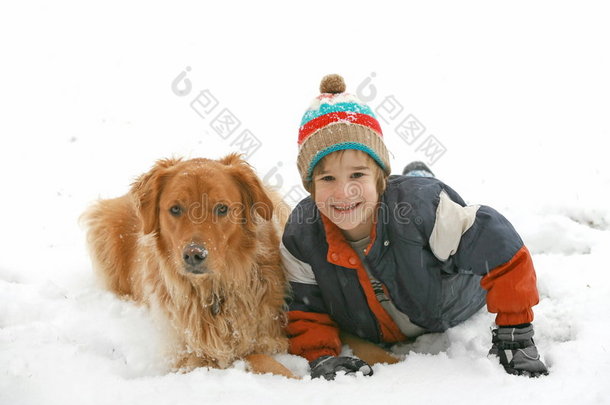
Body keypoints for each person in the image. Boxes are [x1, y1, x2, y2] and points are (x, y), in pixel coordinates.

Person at [280, 74, 548, 380]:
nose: (344, 191)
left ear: (379, 177)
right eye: (327, 179)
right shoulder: (302, 236)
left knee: (424, 194)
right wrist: (320, 355)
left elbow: (504, 249)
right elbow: (304, 309)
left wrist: (515, 331)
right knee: (418, 192)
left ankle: (421, 176)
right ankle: (419, 175)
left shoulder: (426, 211)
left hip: (451, 300)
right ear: (310, 187)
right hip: (377, 324)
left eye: (357, 175)